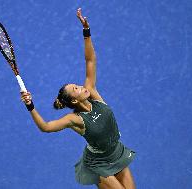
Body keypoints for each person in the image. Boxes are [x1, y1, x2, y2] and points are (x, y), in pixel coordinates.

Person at [21, 8, 136, 189]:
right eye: (77, 89)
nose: (82, 87)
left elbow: (90, 60)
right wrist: (30, 105)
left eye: (78, 85)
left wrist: (86, 32)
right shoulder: (75, 119)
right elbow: (46, 127)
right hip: (98, 165)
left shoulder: (93, 93)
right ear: (74, 101)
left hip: (117, 153)